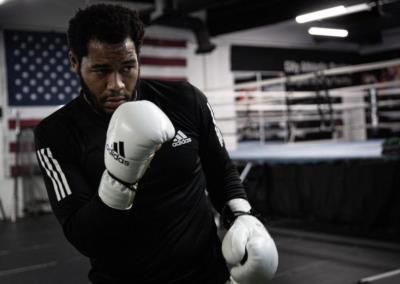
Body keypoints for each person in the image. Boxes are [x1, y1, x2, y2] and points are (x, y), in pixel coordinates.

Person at [34, 4, 278, 284]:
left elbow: (220, 169)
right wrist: (119, 180)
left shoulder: (185, 100)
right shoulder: (56, 133)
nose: (117, 85)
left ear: (138, 57)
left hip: (208, 273)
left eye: (127, 67)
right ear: (75, 61)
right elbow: (83, 236)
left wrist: (243, 216)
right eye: (101, 70)